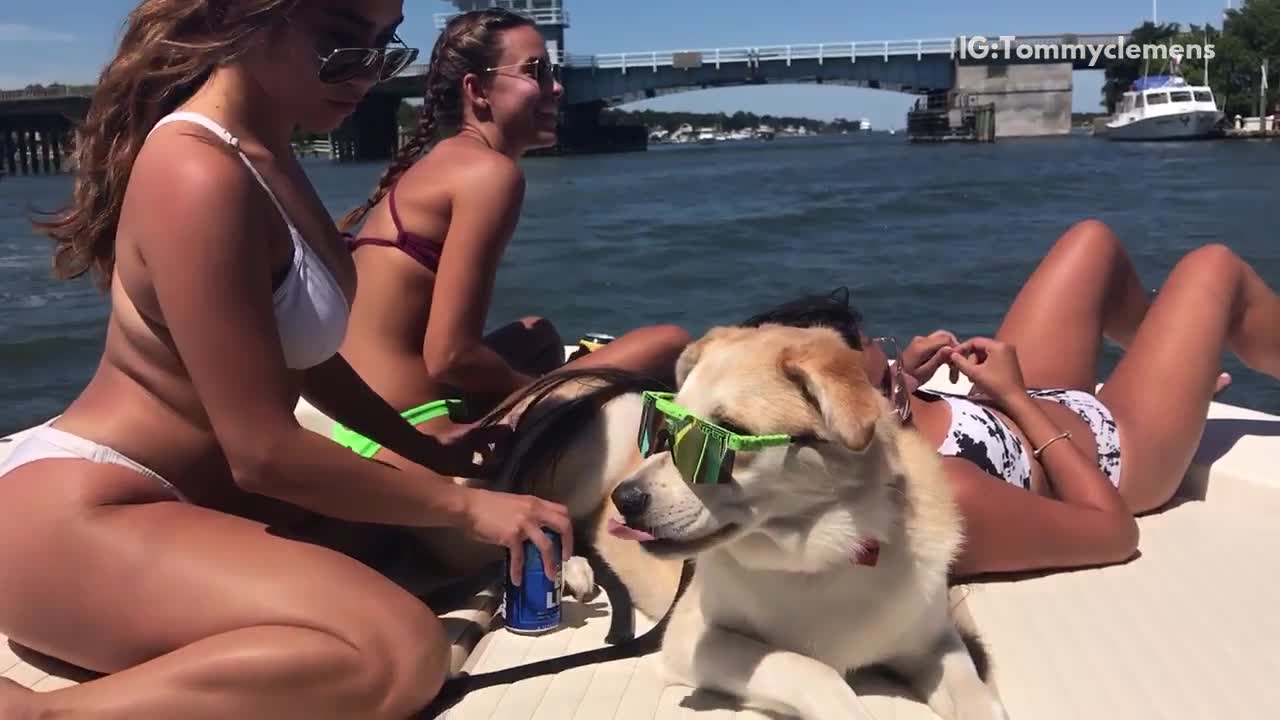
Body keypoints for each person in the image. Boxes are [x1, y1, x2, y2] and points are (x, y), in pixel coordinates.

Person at [0, 2, 574, 717]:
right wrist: (465, 505)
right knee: (397, 652)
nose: (366, 71)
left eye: (382, 44)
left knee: (406, 530)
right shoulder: (198, 172)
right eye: (339, 42)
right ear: (239, 20)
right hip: (87, 514)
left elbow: (307, 356)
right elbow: (263, 453)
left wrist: (423, 448)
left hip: (187, 505)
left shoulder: (265, 155)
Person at [745, 218, 1279, 578]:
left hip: (1020, 407)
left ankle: (1175, 359)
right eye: (886, 386)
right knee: (1214, 268)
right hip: (1118, 453)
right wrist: (1017, 398)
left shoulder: (850, 440)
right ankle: (1180, 366)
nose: (894, 374)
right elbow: (1114, 531)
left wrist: (904, 376)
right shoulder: (946, 496)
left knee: (1092, 241)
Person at [331, 8, 689, 466]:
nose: (556, 87)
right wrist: (550, 394)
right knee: (669, 342)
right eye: (535, 72)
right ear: (477, 91)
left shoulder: (446, 159)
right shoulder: (492, 175)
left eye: (552, 72)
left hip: (366, 420)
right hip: (420, 436)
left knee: (538, 332)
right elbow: (451, 356)